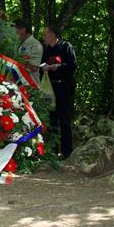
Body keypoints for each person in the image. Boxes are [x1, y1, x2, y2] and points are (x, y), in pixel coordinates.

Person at [41, 25, 77, 159]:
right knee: (52, 120)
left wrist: (59, 66)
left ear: (52, 34)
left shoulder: (65, 46)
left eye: (45, 34)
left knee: (64, 119)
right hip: (51, 88)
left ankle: (67, 152)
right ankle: (53, 151)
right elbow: (42, 65)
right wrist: (44, 68)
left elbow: (72, 65)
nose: (44, 37)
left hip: (64, 87)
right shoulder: (47, 49)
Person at [14, 19, 43, 86]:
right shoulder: (18, 43)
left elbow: (35, 68)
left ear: (23, 30)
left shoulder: (35, 44)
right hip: (20, 82)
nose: (14, 33)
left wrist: (22, 62)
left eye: (16, 31)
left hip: (31, 84)